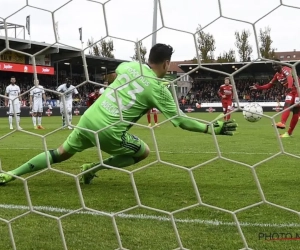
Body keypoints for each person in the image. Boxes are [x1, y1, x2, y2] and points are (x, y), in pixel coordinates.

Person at [0, 43, 237, 185]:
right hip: (110, 130)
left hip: (88, 118)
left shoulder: (129, 66)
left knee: (59, 153)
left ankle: (11, 174)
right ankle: (91, 169)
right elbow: (181, 122)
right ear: (166, 64)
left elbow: (114, 73)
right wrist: (210, 128)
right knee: (143, 152)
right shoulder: (159, 89)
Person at [250, 60, 299, 138]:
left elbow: (290, 78)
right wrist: (259, 87)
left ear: (280, 64)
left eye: (276, 65)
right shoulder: (277, 75)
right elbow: (269, 85)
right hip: (291, 91)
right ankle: (283, 123)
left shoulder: (286, 69)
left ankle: (289, 132)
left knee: (296, 110)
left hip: (298, 90)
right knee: (287, 105)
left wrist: (289, 87)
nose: (274, 67)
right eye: (273, 66)